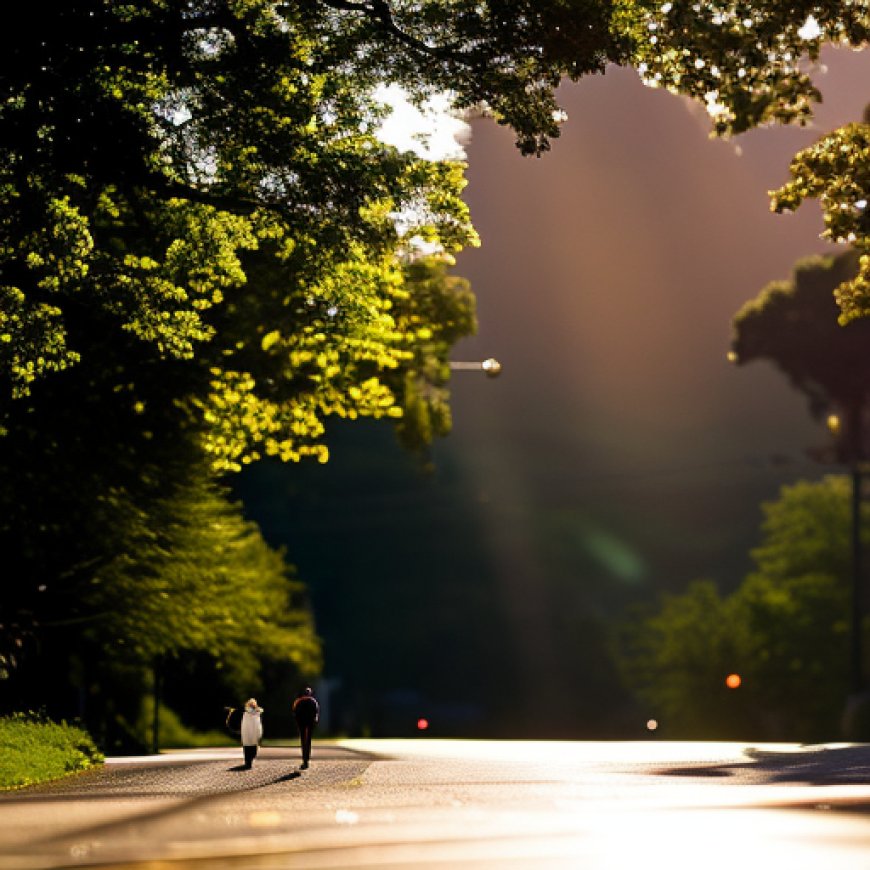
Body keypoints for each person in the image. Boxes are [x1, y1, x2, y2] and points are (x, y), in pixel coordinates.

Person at [292, 687, 319, 769]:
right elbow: (316, 714)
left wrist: (298, 722)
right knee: (308, 741)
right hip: (310, 724)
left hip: (302, 724)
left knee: (303, 741)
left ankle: (305, 759)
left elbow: (295, 712)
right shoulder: (313, 701)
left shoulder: (298, 701)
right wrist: (314, 722)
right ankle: (306, 758)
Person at [240, 698, 263, 769]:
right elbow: (258, 726)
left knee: (247, 750)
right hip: (253, 737)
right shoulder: (256, 714)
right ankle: (249, 762)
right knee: (253, 750)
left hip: (247, 736)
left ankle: (248, 762)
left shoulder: (247, 714)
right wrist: (259, 734)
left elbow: (244, 725)